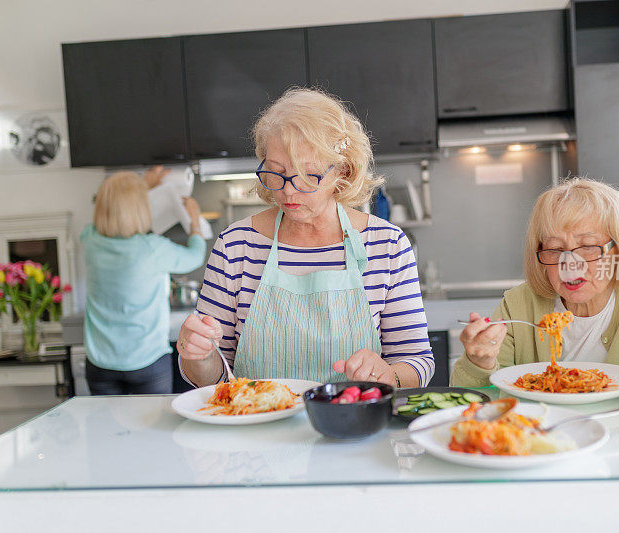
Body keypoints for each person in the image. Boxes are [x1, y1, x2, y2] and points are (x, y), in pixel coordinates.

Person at [177, 88, 434, 388]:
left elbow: (418, 362)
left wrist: (389, 375)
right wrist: (197, 355)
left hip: (352, 426)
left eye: (308, 175)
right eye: (276, 172)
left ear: (343, 171)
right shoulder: (236, 246)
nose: (287, 190)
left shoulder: (387, 245)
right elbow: (214, 379)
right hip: (256, 426)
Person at [450, 178, 619, 399]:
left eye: (588, 246)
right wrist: (479, 363)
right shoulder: (519, 304)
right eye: (554, 249)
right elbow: (472, 399)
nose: (570, 264)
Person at [82, 167, 206, 394]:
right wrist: (194, 220)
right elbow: (195, 255)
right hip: (147, 361)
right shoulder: (152, 249)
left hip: (100, 363)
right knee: (153, 428)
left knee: (105, 430)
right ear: (141, 208)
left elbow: (116, 209)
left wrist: (142, 185)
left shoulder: (89, 240)